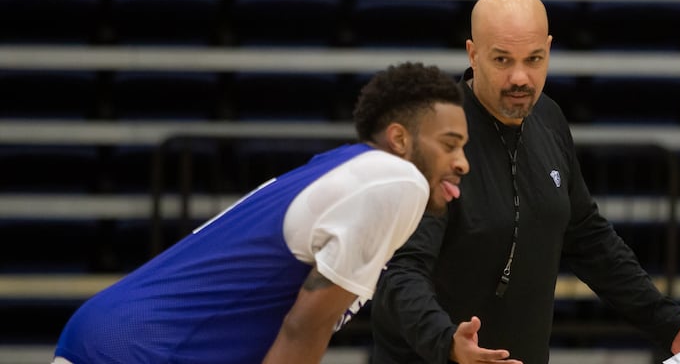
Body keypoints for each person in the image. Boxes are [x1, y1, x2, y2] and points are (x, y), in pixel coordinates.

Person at [370, 0, 680, 364]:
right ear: (473, 54)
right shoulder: (434, 140)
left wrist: (668, 323)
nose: (520, 78)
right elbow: (402, 271)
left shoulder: (548, 118)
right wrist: (446, 343)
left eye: (534, 59)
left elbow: (589, 238)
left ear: (549, 49)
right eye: (503, 60)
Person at [52, 62, 470, 364]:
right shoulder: (397, 181)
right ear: (399, 138)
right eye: (449, 144)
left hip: (115, 332)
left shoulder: (346, 165)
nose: (462, 162)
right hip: (148, 348)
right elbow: (303, 328)